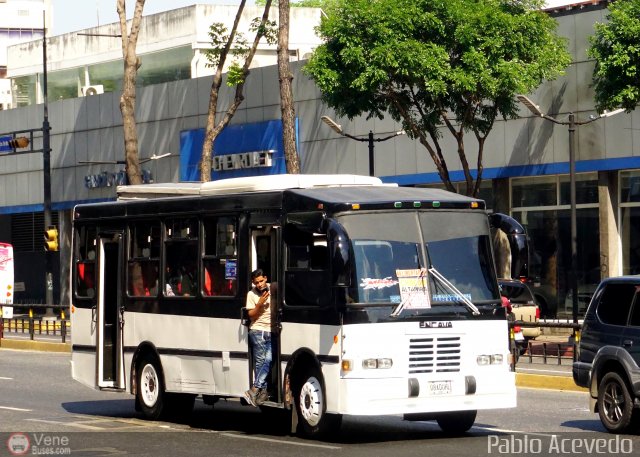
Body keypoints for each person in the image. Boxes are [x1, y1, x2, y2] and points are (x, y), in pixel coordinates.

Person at [244, 268, 272, 407]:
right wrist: (260, 303)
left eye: (261, 281)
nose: (259, 284)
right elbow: (251, 315)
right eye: (256, 283)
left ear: (265, 278)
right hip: (257, 330)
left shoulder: (273, 289)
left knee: (267, 361)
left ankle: (257, 390)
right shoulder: (251, 294)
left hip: (270, 330)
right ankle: (259, 390)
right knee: (263, 361)